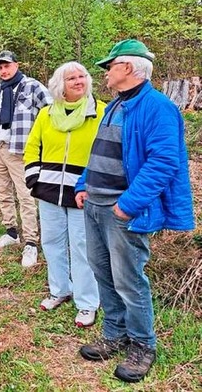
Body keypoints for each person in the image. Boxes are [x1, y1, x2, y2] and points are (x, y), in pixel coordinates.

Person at [75, 39, 194, 383]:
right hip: (95, 205)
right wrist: (84, 185)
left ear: (127, 68)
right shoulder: (115, 105)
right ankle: (115, 335)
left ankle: (143, 346)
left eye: (109, 66)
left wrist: (128, 205)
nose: (106, 73)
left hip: (122, 210)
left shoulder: (157, 107)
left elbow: (164, 162)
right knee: (103, 273)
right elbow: (99, 153)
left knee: (129, 280)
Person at [23, 62, 104, 327]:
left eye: (82, 76)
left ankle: (87, 303)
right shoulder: (47, 114)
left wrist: (96, 184)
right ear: (61, 85)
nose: (78, 81)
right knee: (52, 243)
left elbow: (107, 153)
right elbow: (33, 145)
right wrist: (33, 177)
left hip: (83, 192)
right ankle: (60, 290)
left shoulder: (100, 112)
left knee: (83, 248)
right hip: (48, 190)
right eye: (72, 78)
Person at [0, 50, 52, 267]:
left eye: (7, 66)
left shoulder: (32, 86)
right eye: (0, 67)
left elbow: (50, 112)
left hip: (20, 150)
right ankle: (11, 232)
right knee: (3, 193)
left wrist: (43, 143)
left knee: (25, 196)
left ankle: (31, 243)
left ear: (16, 65)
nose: (3, 70)